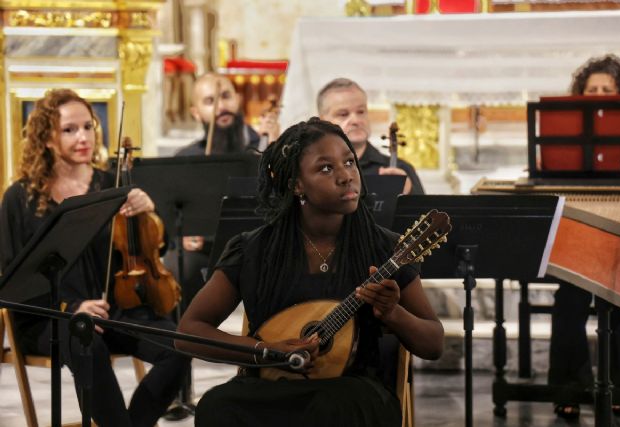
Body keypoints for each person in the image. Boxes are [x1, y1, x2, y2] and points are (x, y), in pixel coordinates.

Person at [176, 117, 444, 427]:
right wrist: (265, 350)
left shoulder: (386, 249)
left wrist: (393, 313)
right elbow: (188, 332)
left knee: (331, 409)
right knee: (216, 406)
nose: (346, 177)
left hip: (351, 391)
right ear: (296, 184)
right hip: (270, 388)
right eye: (326, 168)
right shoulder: (253, 250)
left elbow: (433, 344)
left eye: (349, 162)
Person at [0, 89, 190, 427]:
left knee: (179, 345)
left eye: (88, 127)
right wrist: (72, 308)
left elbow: (153, 250)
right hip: (48, 318)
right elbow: (13, 281)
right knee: (87, 341)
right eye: (70, 130)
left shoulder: (111, 184)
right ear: (46, 138)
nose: (84, 137)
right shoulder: (20, 197)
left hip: (113, 309)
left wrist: (149, 210)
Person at [548, 54, 620, 419]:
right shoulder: (569, 126)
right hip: (578, 214)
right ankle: (567, 385)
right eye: (592, 90)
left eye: (607, 90)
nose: (599, 95)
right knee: (569, 296)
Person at [167, 72, 280, 306]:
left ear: (237, 100)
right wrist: (183, 236)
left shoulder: (265, 144)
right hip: (205, 253)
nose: (222, 106)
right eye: (210, 101)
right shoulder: (186, 158)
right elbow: (171, 214)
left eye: (226, 96)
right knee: (175, 266)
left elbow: (284, 198)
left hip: (259, 250)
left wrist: (277, 150)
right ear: (195, 112)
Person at [317, 77, 425, 195]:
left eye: (361, 111)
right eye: (343, 114)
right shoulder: (314, 168)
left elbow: (424, 213)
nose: (356, 120)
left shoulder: (401, 168)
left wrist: (410, 193)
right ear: (323, 121)